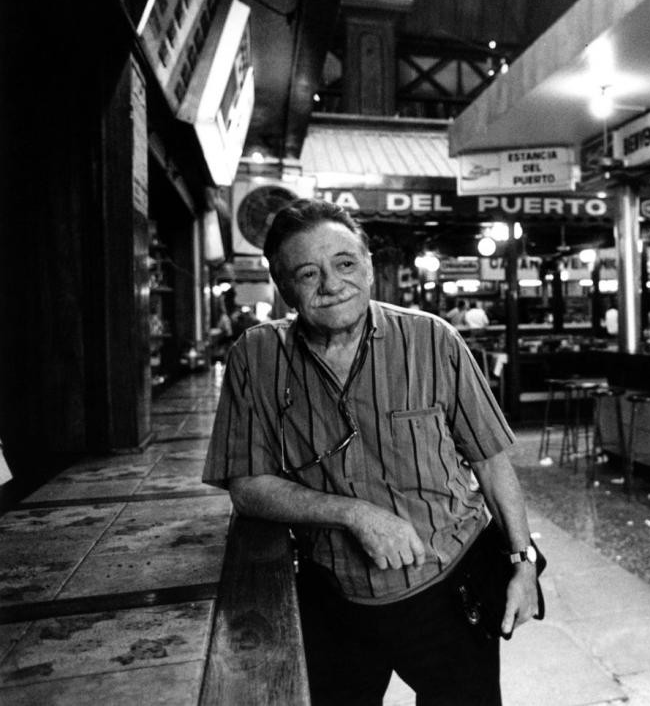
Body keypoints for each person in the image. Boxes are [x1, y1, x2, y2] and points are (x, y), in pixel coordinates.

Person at [202, 199, 538, 706]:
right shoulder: (256, 357)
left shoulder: (432, 340)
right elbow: (247, 487)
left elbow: (491, 462)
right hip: (334, 600)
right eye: (307, 272)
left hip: (451, 590)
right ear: (283, 286)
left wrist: (524, 563)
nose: (331, 284)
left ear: (369, 267)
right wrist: (354, 515)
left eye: (344, 264)